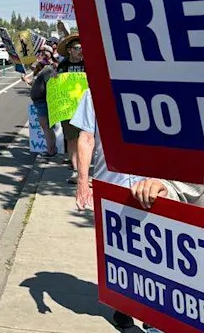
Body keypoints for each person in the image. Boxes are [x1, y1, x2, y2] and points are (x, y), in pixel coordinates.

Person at [71, 88, 143, 330]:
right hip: (112, 185)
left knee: (153, 249)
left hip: (154, 185)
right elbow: (86, 137)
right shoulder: (95, 92)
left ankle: (154, 314)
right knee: (118, 250)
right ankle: (123, 305)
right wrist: (83, 181)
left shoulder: (160, 85)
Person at [56, 34, 84, 178]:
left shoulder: (88, 64)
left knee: (84, 138)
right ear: (69, 50)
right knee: (71, 139)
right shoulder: (63, 66)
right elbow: (58, 87)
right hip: (68, 109)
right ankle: (76, 169)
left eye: (82, 48)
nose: (80, 50)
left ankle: (83, 168)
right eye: (77, 48)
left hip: (86, 109)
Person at [29, 45, 57, 156]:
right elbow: (35, 83)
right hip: (40, 100)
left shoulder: (49, 68)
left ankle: (51, 150)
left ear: (50, 53)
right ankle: (51, 149)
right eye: (40, 52)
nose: (41, 54)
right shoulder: (42, 67)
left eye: (44, 52)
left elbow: (48, 85)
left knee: (46, 126)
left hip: (44, 101)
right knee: (46, 127)